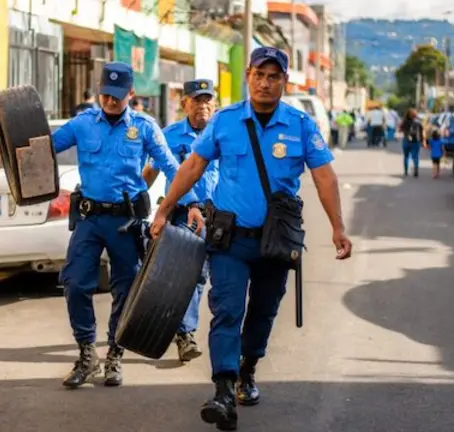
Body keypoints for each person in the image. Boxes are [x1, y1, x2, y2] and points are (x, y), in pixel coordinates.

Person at [149, 46, 353, 430]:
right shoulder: (225, 121)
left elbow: (325, 176)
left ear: (283, 82)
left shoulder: (301, 124)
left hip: (277, 242)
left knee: (262, 312)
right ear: (248, 76)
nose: (265, 82)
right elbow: (193, 166)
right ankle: (223, 390)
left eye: (273, 76)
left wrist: (337, 227)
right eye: (259, 74)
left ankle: (248, 367)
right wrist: (164, 207)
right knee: (227, 309)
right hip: (230, 239)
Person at [51, 62, 196, 389]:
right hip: (89, 220)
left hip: (126, 222)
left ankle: (114, 353)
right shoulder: (83, 123)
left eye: (117, 96)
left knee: (125, 290)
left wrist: (193, 203)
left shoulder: (145, 127)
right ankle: (87, 353)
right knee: (75, 283)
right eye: (105, 94)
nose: (110, 101)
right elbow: (45, 147)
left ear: (131, 93)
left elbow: (173, 167)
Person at [142, 78, 219, 363]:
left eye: (207, 100)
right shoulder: (170, 135)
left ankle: (184, 326)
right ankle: (186, 334)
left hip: (219, 216)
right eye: (196, 100)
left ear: (215, 104)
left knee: (204, 276)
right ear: (184, 103)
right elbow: (150, 172)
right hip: (183, 213)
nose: (202, 106)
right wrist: (139, 203)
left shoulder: (222, 134)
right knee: (191, 273)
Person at [400, 108, 424, 177]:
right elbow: (421, 132)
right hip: (416, 141)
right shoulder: (419, 122)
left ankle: (406, 171)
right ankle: (416, 170)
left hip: (406, 141)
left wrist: (405, 131)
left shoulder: (405, 121)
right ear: (415, 115)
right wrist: (422, 141)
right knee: (415, 156)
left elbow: (400, 129)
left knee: (406, 156)